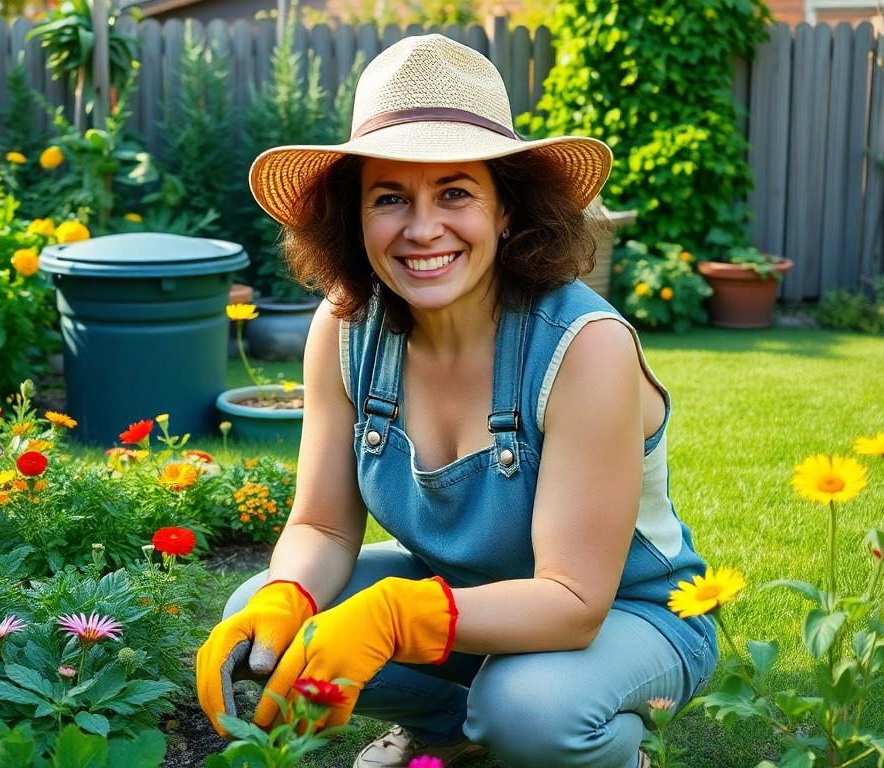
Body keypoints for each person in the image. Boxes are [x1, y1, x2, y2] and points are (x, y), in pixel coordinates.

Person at [194, 34, 717, 768]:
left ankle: (602, 749)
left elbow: (572, 601)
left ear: (507, 210)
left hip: (627, 615)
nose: (422, 228)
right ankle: (452, 732)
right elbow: (322, 525)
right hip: (469, 603)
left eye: (456, 192)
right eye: (390, 198)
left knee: (530, 710)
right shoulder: (345, 329)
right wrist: (286, 596)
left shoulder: (584, 346)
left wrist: (393, 615)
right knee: (258, 611)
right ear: (356, 216)